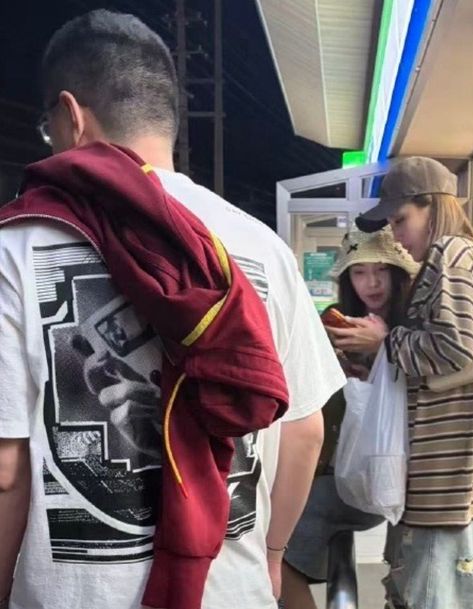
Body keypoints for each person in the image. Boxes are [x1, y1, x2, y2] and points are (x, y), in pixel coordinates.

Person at [0, 10, 345, 609]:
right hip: (229, 591)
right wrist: (271, 554)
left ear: (71, 116)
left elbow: (6, 469)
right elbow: (305, 430)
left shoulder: (15, 247)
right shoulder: (259, 246)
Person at [328, 156, 473, 609]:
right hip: (446, 477)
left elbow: (455, 347)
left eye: (401, 219)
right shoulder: (459, 255)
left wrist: (384, 341)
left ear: (433, 205)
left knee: (431, 596)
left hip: (447, 482)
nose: (397, 233)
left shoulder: (453, 253)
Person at [281, 227, 418, 609]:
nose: (371, 283)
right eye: (359, 272)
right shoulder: (333, 324)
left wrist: (382, 350)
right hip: (342, 468)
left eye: (381, 270)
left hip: (387, 475)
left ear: (398, 273)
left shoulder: (411, 326)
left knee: (276, 543)